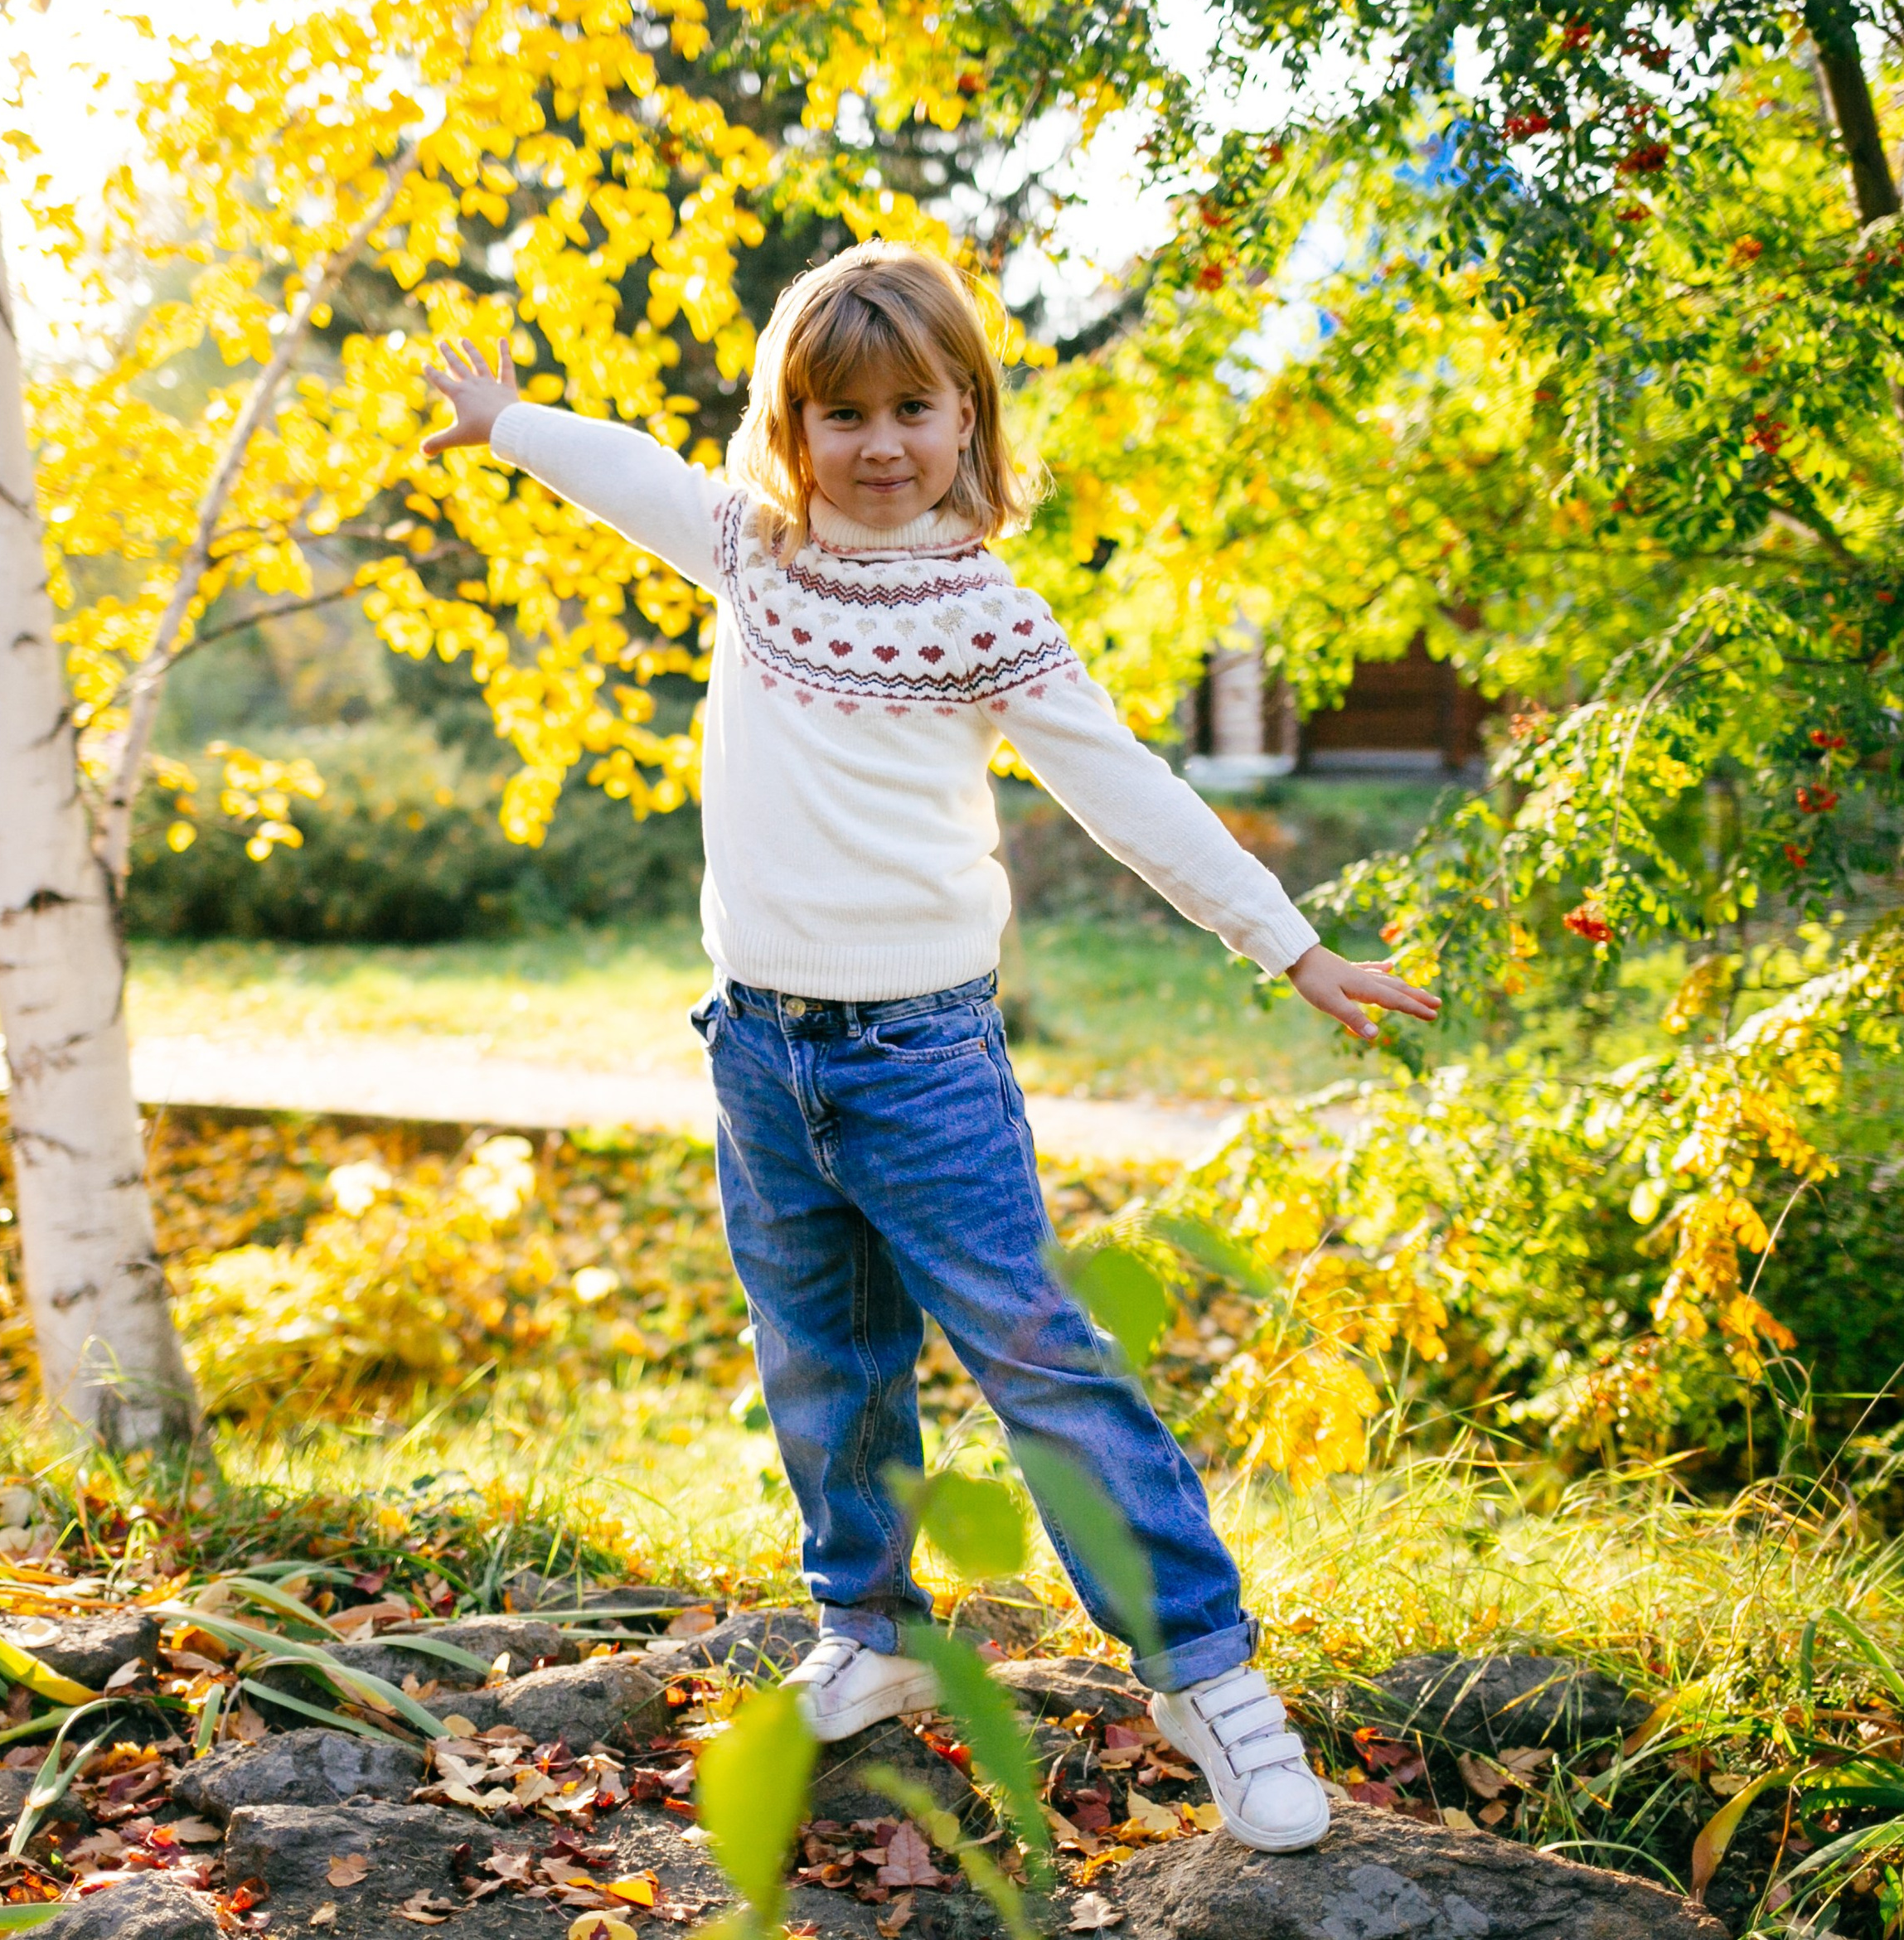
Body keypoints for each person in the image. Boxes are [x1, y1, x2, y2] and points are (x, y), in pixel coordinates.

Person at [423, 242, 1438, 1853]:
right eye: (843, 415)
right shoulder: (750, 551)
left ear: (968, 415)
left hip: (921, 1058)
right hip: (756, 1050)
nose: (880, 444)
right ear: (790, 428)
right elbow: (631, 474)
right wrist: (510, 422)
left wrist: (1284, 940)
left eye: (915, 406)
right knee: (822, 1361)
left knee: (1039, 1361)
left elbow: (1124, 789)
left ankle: (1204, 1672)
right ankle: (872, 1628)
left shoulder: (985, 611)